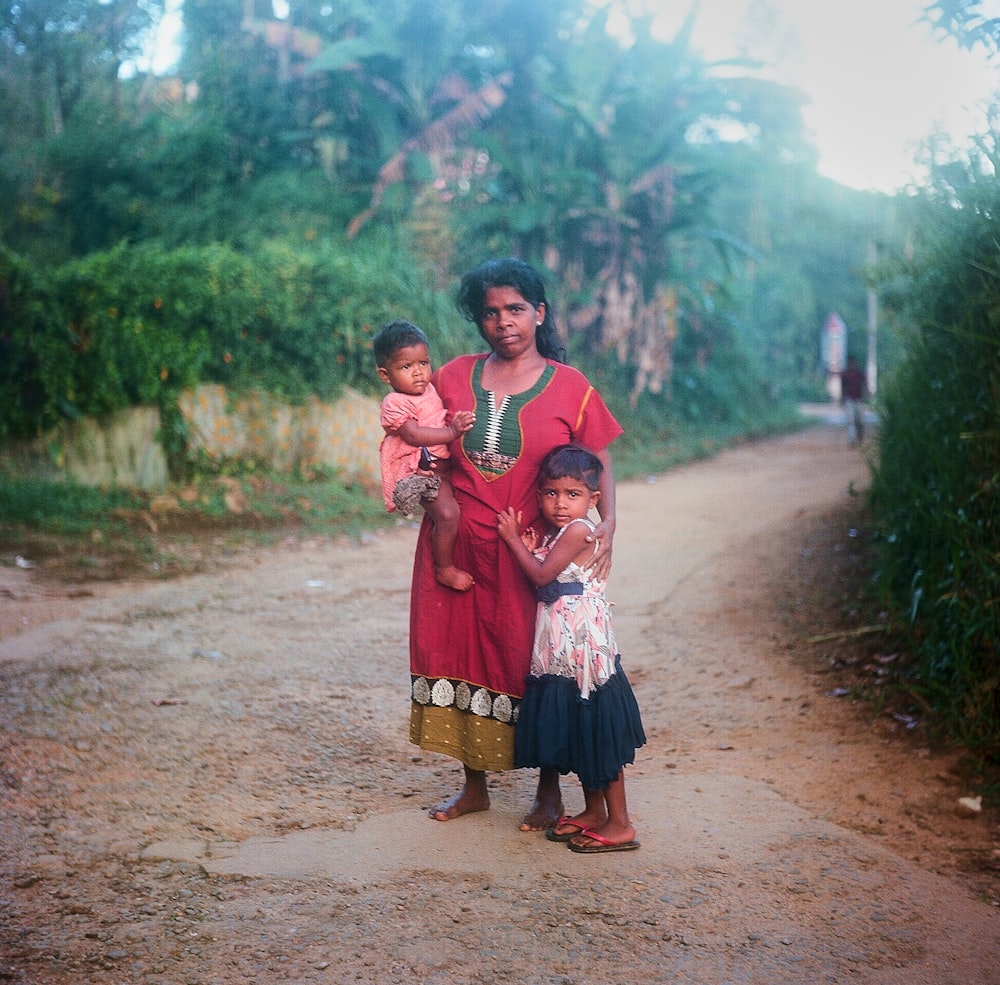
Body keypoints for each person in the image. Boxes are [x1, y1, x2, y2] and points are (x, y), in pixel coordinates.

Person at [408, 257, 623, 830]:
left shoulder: (571, 387)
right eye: (491, 312)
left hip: (532, 553)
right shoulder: (452, 376)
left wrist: (610, 523)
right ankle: (473, 786)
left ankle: (547, 792)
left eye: (516, 309)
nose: (503, 322)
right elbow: (414, 430)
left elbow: (599, 457)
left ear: (539, 313)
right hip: (457, 545)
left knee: (532, 661)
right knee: (455, 652)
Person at [497, 444, 645, 852]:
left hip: (583, 648)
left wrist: (513, 541)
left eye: (573, 494)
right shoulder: (565, 532)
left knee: (598, 727)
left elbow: (542, 574)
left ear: (593, 499)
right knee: (582, 727)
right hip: (563, 646)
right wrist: (533, 545)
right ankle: (594, 812)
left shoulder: (581, 530)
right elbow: (549, 577)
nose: (560, 504)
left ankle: (620, 823)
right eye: (550, 493)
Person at [373, 319, 477, 591]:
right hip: (421, 473)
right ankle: (444, 568)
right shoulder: (394, 403)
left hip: (443, 466)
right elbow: (414, 435)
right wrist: (452, 432)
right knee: (447, 513)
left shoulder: (431, 388)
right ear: (385, 375)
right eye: (406, 367)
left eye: (423, 363)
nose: (418, 373)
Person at [839, 354, 868, 446]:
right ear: (848, 364)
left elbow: (865, 384)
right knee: (851, 420)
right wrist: (842, 398)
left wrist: (867, 393)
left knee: (860, 421)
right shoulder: (845, 374)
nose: (852, 365)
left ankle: (860, 436)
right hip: (849, 399)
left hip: (858, 399)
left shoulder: (859, 373)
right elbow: (843, 387)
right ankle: (852, 440)